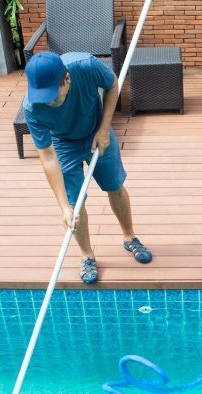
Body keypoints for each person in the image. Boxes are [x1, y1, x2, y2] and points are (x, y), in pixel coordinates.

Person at [22, 51, 153, 285]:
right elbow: (48, 157)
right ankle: (87, 256)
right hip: (63, 145)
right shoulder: (32, 108)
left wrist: (104, 129)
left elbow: (113, 84)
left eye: (51, 95)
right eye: (42, 96)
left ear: (67, 79)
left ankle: (130, 237)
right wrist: (64, 206)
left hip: (97, 130)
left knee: (115, 187)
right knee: (74, 205)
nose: (47, 102)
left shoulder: (85, 66)